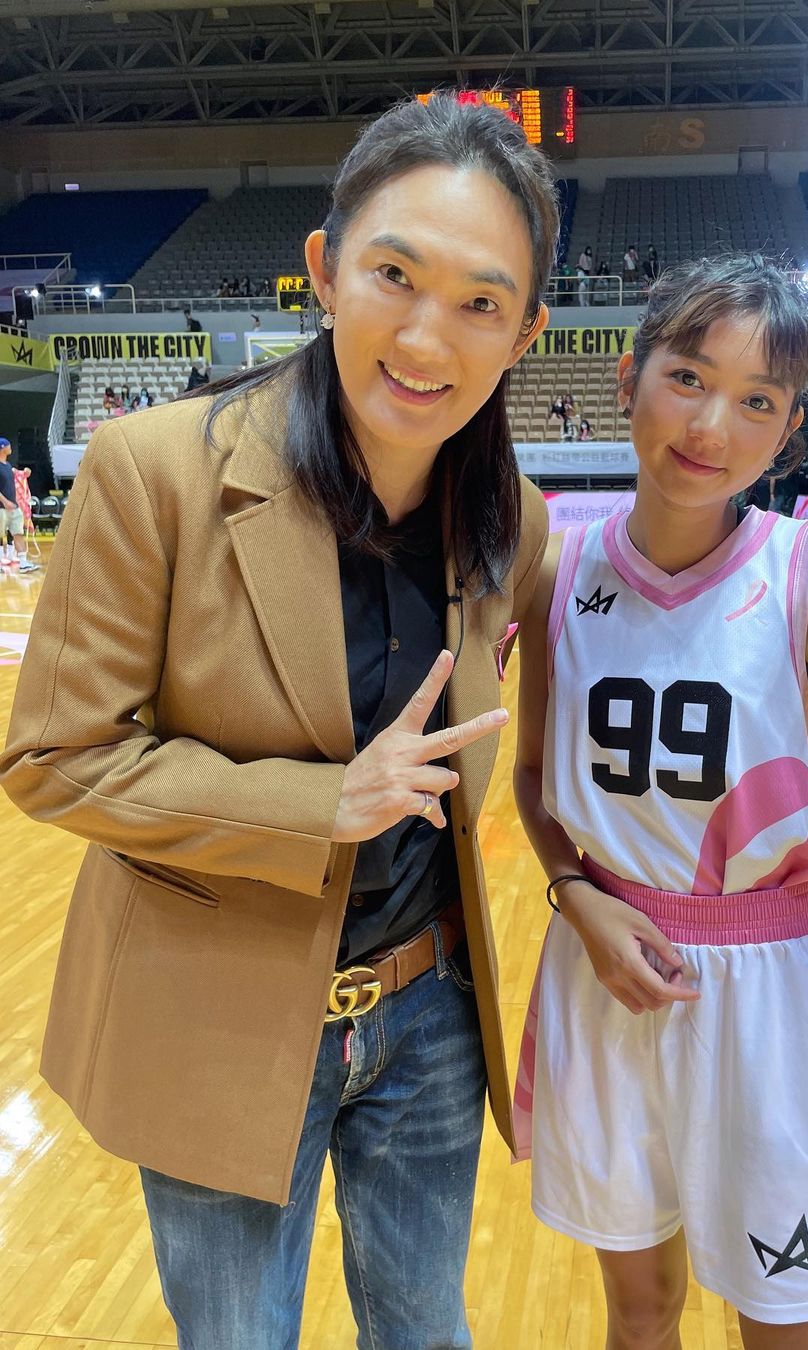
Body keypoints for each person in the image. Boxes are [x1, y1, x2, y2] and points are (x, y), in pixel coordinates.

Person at [0, 92, 557, 1350]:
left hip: (429, 1008)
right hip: (218, 1013)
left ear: (526, 330)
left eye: (481, 302)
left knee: (427, 1331)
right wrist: (322, 804)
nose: (427, 336)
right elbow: (53, 759)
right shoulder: (154, 471)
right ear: (324, 267)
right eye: (394, 275)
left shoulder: (508, 517)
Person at [512, 256, 808, 1349]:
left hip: (768, 991)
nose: (712, 425)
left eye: (757, 400)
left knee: (788, 1324)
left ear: (790, 429)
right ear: (628, 377)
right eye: (687, 377)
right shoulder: (557, 571)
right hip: (605, 968)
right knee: (639, 1315)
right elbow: (534, 778)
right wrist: (574, 895)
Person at [0, 438, 39, 573]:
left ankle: (23, 563)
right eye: (8, 446)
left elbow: (19, 475)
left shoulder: (7, 465)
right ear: (2, 448)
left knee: (18, 533)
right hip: (2, 508)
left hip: (14, 508)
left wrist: (25, 473)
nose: (10, 448)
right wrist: (5, 502)